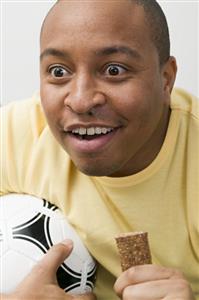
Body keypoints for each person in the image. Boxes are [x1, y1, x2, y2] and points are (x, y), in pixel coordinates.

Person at [1, 0, 198, 299]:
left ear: (166, 79)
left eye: (114, 70)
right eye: (58, 71)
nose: (80, 101)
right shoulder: (18, 136)